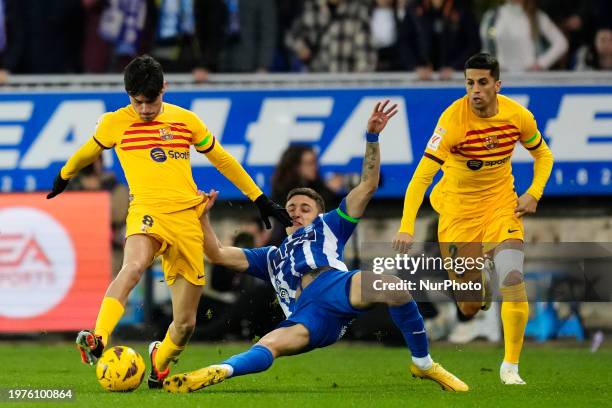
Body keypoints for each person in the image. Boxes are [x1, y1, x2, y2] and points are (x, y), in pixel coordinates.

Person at [163, 100, 469, 394]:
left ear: (319, 213)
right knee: (268, 345)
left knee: (395, 287)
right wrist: (202, 217)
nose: (295, 210)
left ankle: (423, 363)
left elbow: (368, 185)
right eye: (291, 206)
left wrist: (372, 136)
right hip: (306, 313)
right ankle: (219, 371)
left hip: (336, 284)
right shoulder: (272, 256)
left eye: (304, 207)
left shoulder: (331, 225)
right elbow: (215, 253)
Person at [46, 55, 291, 388]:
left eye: (152, 101)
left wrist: (259, 198)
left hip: (187, 219)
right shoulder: (114, 123)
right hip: (146, 211)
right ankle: (98, 336)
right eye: (137, 102)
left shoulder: (185, 120)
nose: (145, 109)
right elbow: (88, 151)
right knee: (132, 267)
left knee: (186, 324)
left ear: (165, 88)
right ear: (128, 95)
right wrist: (64, 175)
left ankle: (159, 362)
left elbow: (222, 159)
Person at [393, 53, 554, 385]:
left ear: (497, 84)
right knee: (468, 306)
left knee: (512, 276)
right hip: (457, 215)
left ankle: (510, 367)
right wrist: (406, 226)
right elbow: (421, 178)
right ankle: (479, 281)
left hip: (501, 207)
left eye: (482, 83)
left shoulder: (517, 116)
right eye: (469, 83)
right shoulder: (453, 120)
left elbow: (543, 154)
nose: (475, 90)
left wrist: (534, 192)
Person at [480, 0, 568, 72]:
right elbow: (486, 45)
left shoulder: (536, 16)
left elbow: (561, 43)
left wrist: (541, 63)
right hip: (501, 77)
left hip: (529, 78)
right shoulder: (493, 16)